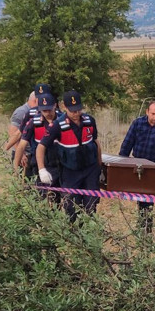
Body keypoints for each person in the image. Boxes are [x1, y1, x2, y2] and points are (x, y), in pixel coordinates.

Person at [37, 90, 102, 222]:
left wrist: (100, 168)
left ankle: (89, 237)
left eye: (78, 109)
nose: (76, 113)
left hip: (90, 170)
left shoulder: (90, 121)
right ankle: (72, 236)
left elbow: (96, 143)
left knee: (91, 206)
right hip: (70, 172)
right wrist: (41, 169)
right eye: (72, 110)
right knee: (71, 207)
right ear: (65, 107)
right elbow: (40, 147)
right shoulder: (57, 126)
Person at [119, 100, 155, 233]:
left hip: (154, 167)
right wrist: (121, 163)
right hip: (138, 165)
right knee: (140, 198)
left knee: (148, 199)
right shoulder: (137, 123)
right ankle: (143, 225)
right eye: (153, 114)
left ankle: (145, 227)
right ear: (147, 112)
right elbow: (127, 143)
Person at [14, 92, 63, 199]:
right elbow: (22, 145)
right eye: (44, 110)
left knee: (59, 199)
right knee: (41, 197)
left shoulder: (63, 120)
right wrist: (15, 169)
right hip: (41, 165)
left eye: (50, 109)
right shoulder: (33, 122)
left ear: (55, 105)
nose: (48, 113)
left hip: (61, 165)